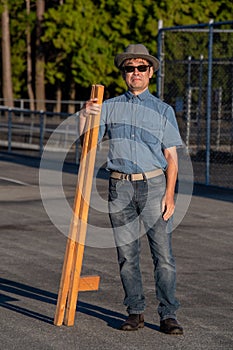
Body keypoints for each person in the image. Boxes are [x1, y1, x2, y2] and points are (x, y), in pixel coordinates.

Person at [79, 44, 183, 335]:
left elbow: (172, 157)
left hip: (154, 187)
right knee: (127, 255)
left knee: (163, 255)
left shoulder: (163, 110)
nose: (135, 73)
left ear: (150, 72)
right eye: (129, 68)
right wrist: (85, 117)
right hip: (119, 188)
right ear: (124, 74)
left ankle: (168, 314)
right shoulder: (108, 108)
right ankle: (135, 311)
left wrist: (170, 194)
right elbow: (87, 142)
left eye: (140, 68)